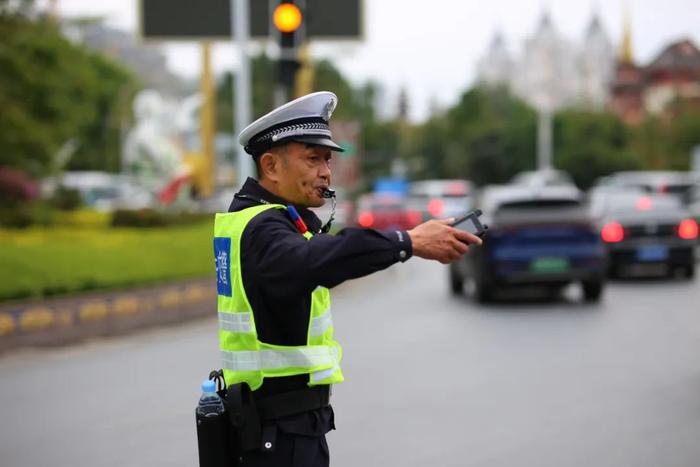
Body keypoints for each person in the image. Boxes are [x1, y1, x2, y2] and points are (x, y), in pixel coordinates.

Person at [213, 91, 481, 467]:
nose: (326, 171)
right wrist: (408, 241)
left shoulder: (262, 219)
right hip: (279, 436)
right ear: (271, 167)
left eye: (327, 160)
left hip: (279, 428)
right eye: (312, 159)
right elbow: (318, 259)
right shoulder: (263, 229)